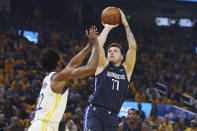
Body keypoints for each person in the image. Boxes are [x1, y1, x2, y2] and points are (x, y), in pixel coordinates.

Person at [28, 26, 99, 131]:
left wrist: (89, 45)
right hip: (44, 126)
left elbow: (72, 64)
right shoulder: (58, 77)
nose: (64, 60)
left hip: (40, 126)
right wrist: (96, 44)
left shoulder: (50, 78)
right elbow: (92, 68)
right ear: (58, 62)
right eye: (61, 58)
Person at [83, 8, 137, 131]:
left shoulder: (126, 70)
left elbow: (133, 47)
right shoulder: (103, 65)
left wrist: (126, 24)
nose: (111, 52)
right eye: (110, 51)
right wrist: (107, 27)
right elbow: (97, 46)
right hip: (96, 113)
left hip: (113, 117)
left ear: (122, 57)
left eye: (115, 51)